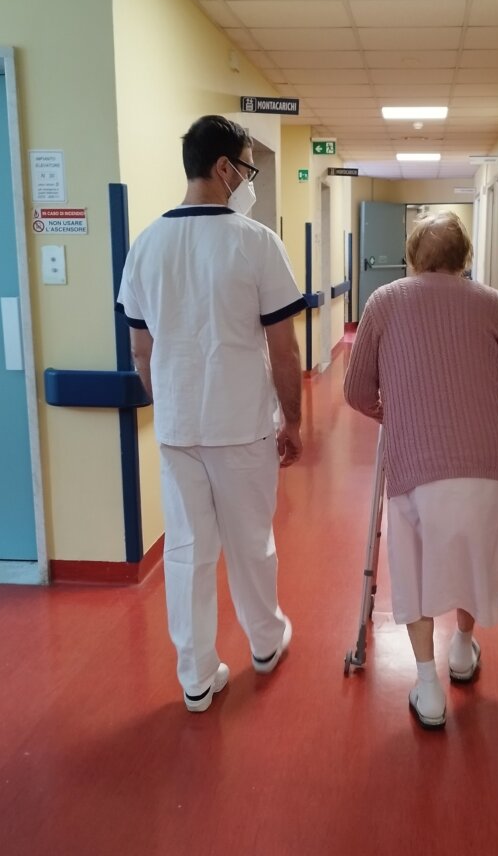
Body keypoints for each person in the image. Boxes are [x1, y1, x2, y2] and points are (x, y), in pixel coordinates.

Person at [117, 115, 306, 713]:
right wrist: (294, 421)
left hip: (178, 430)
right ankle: (265, 643)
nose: (248, 181)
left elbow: (140, 349)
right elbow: (284, 348)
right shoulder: (257, 243)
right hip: (242, 425)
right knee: (252, 542)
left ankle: (196, 678)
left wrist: (169, 403)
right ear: (224, 168)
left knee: (187, 551)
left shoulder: (146, 245)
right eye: (247, 169)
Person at [343, 211, 498, 729]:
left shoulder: (383, 302)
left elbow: (356, 391)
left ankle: (428, 688)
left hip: (415, 465)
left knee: (414, 566)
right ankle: (462, 647)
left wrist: (391, 411)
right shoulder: (492, 304)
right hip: (488, 467)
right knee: (473, 552)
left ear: (411, 257)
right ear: (465, 258)